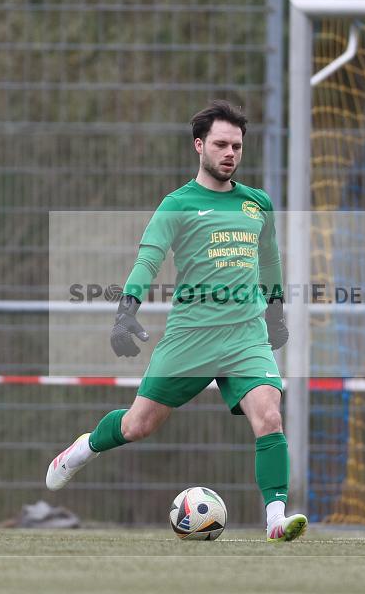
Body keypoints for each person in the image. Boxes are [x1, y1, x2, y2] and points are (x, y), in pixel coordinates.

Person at [46, 100, 307, 542]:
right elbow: (149, 258)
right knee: (138, 425)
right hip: (191, 336)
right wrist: (127, 309)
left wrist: (276, 309)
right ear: (199, 145)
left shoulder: (257, 204)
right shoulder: (178, 204)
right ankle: (82, 448)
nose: (230, 153)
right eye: (221, 144)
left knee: (269, 416)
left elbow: (269, 261)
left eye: (237, 146)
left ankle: (275, 519)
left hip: (246, 336)